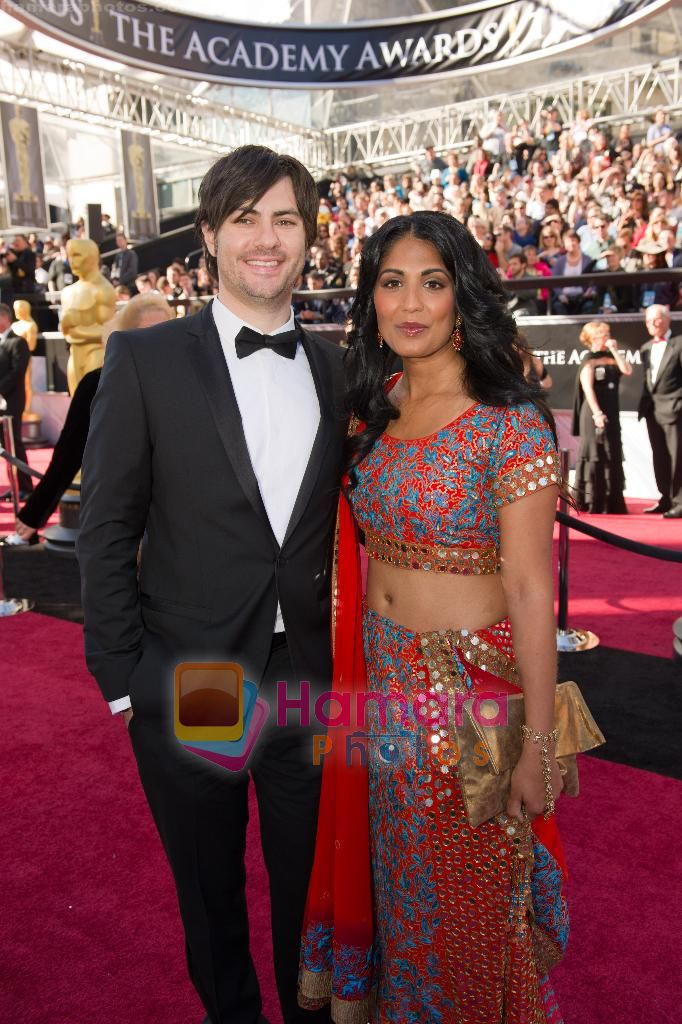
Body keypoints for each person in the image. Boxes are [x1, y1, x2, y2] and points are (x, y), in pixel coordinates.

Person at [78, 146, 345, 1024]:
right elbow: (108, 527)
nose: (266, 240)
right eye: (245, 219)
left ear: (309, 236)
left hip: (308, 677)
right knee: (210, 893)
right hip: (190, 678)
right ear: (208, 235)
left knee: (313, 896)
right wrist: (124, 680)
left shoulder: (343, 370)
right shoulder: (147, 362)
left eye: (285, 219)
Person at [300, 212, 568, 1023]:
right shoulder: (368, 410)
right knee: (401, 890)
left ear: (463, 295)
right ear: (370, 298)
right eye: (391, 282)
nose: (410, 302)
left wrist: (540, 744)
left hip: (469, 703)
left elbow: (530, 590)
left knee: (476, 908)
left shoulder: (508, 421)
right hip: (380, 687)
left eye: (433, 281)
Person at [3, 295, 174, 546]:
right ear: (126, 337)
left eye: (166, 334)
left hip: (177, 520)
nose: (157, 343)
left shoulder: (183, 381)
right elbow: (68, 453)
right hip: (120, 516)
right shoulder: (98, 384)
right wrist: (34, 513)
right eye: (147, 334)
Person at [572, 321, 632, 514]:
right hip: (593, 413)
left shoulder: (611, 357)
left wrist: (615, 351)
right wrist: (597, 413)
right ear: (592, 338)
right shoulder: (589, 360)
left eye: (607, 333)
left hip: (612, 411)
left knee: (611, 452)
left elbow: (627, 370)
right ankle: (592, 501)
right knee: (595, 454)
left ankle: (612, 502)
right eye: (602, 334)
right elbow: (588, 389)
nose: (606, 337)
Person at [638, 304, 682, 517]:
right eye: (648, 321)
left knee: (678, 457)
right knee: (660, 457)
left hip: (676, 409)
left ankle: (680, 501)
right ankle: (666, 497)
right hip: (652, 410)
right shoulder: (646, 347)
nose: (652, 324)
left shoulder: (680, 343)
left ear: (667, 319)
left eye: (656, 319)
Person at [0, 301, 33, 499]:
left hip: (11, 401)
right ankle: (14, 486)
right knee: (4, 448)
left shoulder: (18, 342)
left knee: (14, 444)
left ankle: (26, 487)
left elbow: (17, 372)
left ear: (4, 317)